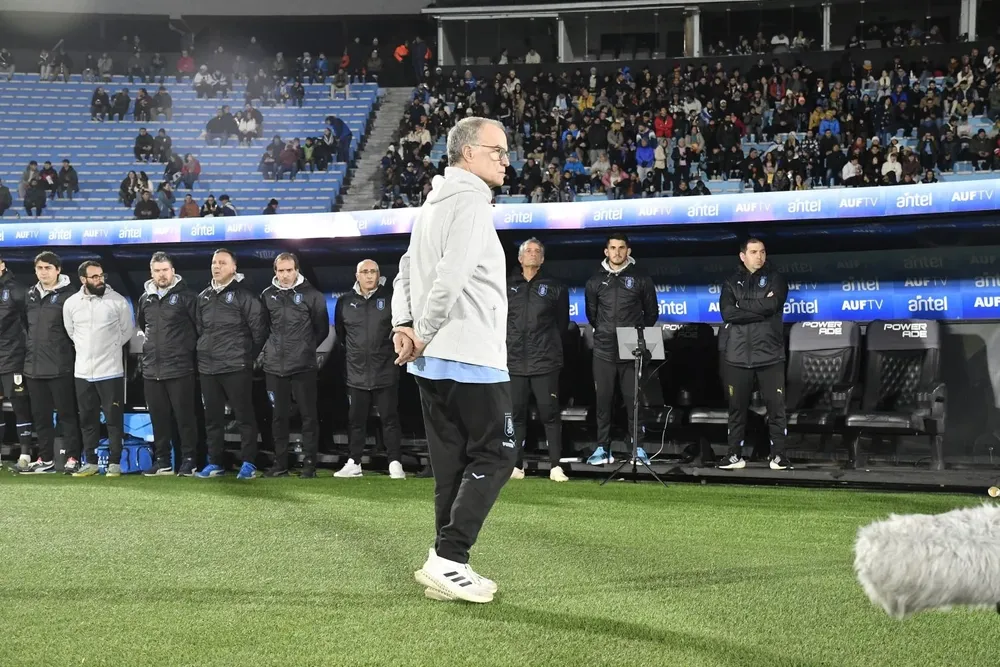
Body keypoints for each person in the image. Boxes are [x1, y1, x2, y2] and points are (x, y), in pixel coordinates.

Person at [391, 117, 513, 604]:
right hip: (470, 356)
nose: (506, 160)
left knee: (452, 466)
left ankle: (446, 562)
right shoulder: (471, 203)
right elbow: (451, 277)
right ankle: (450, 557)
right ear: (468, 153)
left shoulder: (431, 204)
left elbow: (404, 271)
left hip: (432, 362)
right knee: (498, 453)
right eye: (497, 151)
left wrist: (404, 326)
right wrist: (419, 332)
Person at [584, 233, 658, 466]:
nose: (617, 252)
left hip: (631, 345)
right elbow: (592, 315)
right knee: (603, 401)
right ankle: (602, 448)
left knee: (633, 400)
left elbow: (651, 313)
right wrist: (606, 331)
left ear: (628, 251)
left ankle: (637, 448)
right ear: (606, 251)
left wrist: (635, 334)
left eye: (621, 248)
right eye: (613, 248)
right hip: (603, 347)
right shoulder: (595, 281)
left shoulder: (641, 279)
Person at [718, 237, 790, 470]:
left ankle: (779, 456)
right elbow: (728, 313)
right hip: (738, 357)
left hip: (770, 355)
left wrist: (742, 306)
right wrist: (760, 308)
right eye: (754, 252)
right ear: (743, 256)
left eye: (762, 251)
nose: (759, 256)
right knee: (736, 410)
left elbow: (773, 305)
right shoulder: (731, 282)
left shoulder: (776, 278)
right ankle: (733, 455)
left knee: (776, 410)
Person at [195, 249, 268, 479]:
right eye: (214, 262)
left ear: (234, 267)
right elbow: (200, 329)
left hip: (236, 366)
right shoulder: (203, 296)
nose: (217, 266)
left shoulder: (245, 295)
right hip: (208, 367)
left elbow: (259, 332)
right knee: (212, 419)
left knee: (244, 416)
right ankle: (215, 462)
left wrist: (246, 357)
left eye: (222, 263)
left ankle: (249, 463)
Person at [334, 259, 405, 480]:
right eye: (364, 272)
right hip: (356, 372)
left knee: (390, 419)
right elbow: (341, 335)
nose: (369, 275)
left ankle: (395, 462)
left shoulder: (391, 299)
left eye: (373, 271)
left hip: (385, 369)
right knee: (356, 420)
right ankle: (354, 463)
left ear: (379, 274)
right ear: (357, 276)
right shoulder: (345, 301)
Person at [506, 238, 569, 482]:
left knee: (549, 414)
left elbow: (562, 324)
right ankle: (516, 466)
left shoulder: (555, 286)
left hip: (545, 362)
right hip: (514, 361)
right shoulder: (506, 285)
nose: (532, 254)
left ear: (542, 259)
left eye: (537, 252)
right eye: (528, 251)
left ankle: (555, 466)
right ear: (520, 258)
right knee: (516, 415)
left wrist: (546, 346)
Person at [62, 261, 134, 477]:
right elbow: (71, 332)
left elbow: (127, 331)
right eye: (94, 277)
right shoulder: (71, 303)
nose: (99, 280)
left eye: (101, 275)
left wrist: (109, 349)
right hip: (82, 373)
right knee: (87, 419)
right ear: (83, 279)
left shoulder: (118, 301)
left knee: (114, 419)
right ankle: (91, 462)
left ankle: (115, 463)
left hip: (111, 371)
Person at [260, 252, 328, 478]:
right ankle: (280, 464)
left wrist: (304, 349)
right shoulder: (267, 295)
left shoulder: (312, 295)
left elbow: (322, 330)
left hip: (303, 367)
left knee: (308, 416)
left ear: (297, 270)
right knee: (278, 417)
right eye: (281, 271)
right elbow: (264, 328)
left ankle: (309, 465)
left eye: (289, 270)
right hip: (274, 367)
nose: (285, 275)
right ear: (275, 272)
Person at [137, 252, 199, 476]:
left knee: (185, 419)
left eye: (165, 270)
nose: (161, 275)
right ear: (151, 273)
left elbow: (199, 328)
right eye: (157, 271)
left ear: (173, 271)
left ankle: (189, 460)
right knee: (158, 419)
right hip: (152, 370)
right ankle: (163, 461)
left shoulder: (188, 297)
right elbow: (143, 325)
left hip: (180, 368)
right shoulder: (145, 298)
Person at [22, 252, 81, 473]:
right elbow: (25, 326)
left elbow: (75, 330)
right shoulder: (30, 294)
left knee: (67, 415)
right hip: (33, 367)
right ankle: (45, 458)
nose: (43, 272)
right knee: (41, 417)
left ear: (58, 270)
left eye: (48, 268)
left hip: (60, 366)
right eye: (39, 268)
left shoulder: (71, 295)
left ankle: (73, 457)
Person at [0, 257, 36, 471]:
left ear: (2, 265)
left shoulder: (16, 289)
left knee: (19, 404)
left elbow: (31, 321)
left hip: (12, 357)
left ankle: (25, 454)